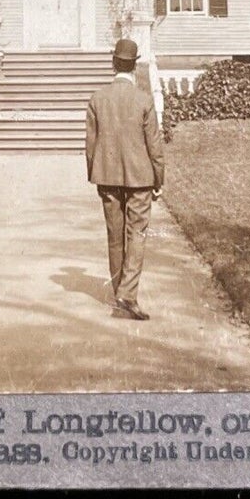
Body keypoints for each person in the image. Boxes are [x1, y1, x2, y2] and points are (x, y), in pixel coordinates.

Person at [84, 37, 165, 321]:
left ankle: (121, 292)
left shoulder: (97, 98)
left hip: (106, 177)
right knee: (137, 234)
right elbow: (154, 146)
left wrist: (95, 174)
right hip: (141, 178)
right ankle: (128, 295)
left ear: (113, 64)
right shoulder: (144, 99)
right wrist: (158, 180)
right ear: (134, 67)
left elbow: (90, 145)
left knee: (114, 235)